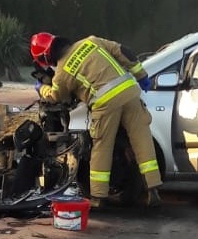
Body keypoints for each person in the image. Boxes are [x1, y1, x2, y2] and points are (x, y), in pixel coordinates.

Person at [30, 32, 162, 208]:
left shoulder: (62, 72)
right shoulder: (91, 42)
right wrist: (142, 76)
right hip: (130, 92)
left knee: (102, 146)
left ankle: (99, 197)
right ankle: (153, 189)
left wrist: (42, 88)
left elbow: (56, 96)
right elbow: (123, 52)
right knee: (142, 140)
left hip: (106, 103)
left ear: (46, 57)